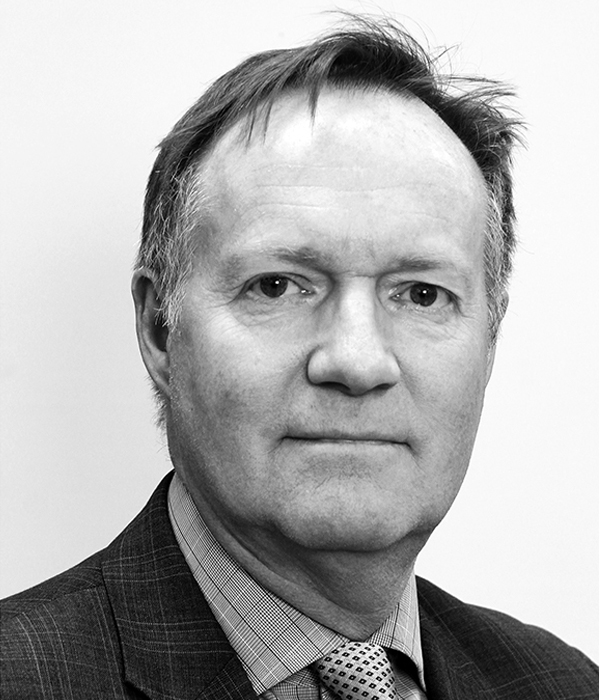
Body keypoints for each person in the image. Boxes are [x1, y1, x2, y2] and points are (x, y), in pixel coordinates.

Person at [0, 14, 596, 700]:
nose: (357, 362)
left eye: (422, 294)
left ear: (489, 340)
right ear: (161, 330)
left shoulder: (561, 685)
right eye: (278, 286)